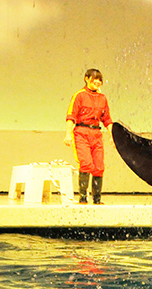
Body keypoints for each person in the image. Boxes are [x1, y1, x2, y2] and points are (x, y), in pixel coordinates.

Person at [64, 69, 113, 204]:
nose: (97, 82)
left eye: (100, 80)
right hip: (82, 132)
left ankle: (97, 199)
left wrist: (112, 136)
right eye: (94, 79)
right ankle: (83, 198)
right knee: (86, 164)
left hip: (96, 133)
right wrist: (68, 134)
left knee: (99, 167)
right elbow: (71, 116)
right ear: (86, 78)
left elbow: (107, 119)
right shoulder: (79, 95)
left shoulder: (102, 98)